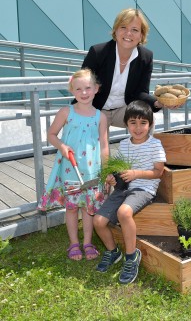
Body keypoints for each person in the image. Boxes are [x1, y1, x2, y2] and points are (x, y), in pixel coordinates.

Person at [39, 69, 109, 260]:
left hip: (92, 170)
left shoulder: (100, 117)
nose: (84, 92)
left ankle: (87, 242)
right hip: (71, 168)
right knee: (71, 207)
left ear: (96, 89)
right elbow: (51, 135)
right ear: (72, 91)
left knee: (88, 207)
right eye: (79, 89)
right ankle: (73, 243)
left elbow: (104, 144)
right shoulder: (66, 112)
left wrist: (107, 170)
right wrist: (62, 146)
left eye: (88, 88)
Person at [93, 100, 166, 284]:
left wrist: (137, 174)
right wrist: (112, 177)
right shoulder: (124, 144)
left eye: (143, 123)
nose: (138, 127)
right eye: (133, 122)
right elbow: (118, 170)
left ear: (150, 125)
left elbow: (159, 172)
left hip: (144, 188)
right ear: (126, 124)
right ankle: (112, 251)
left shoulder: (154, 144)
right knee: (99, 221)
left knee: (123, 212)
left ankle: (131, 256)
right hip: (123, 188)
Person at [81, 8, 165, 132]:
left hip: (123, 110)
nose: (128, 33)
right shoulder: (97, 52)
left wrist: (157, 103)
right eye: (123, 27)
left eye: (134, 30)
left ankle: (142, 152)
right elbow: (83, 86)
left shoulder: (145, 57)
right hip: (95, 109)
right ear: (116, 30)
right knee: (102, 151)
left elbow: (141, 92)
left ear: (141, 35)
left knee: (147, 118)